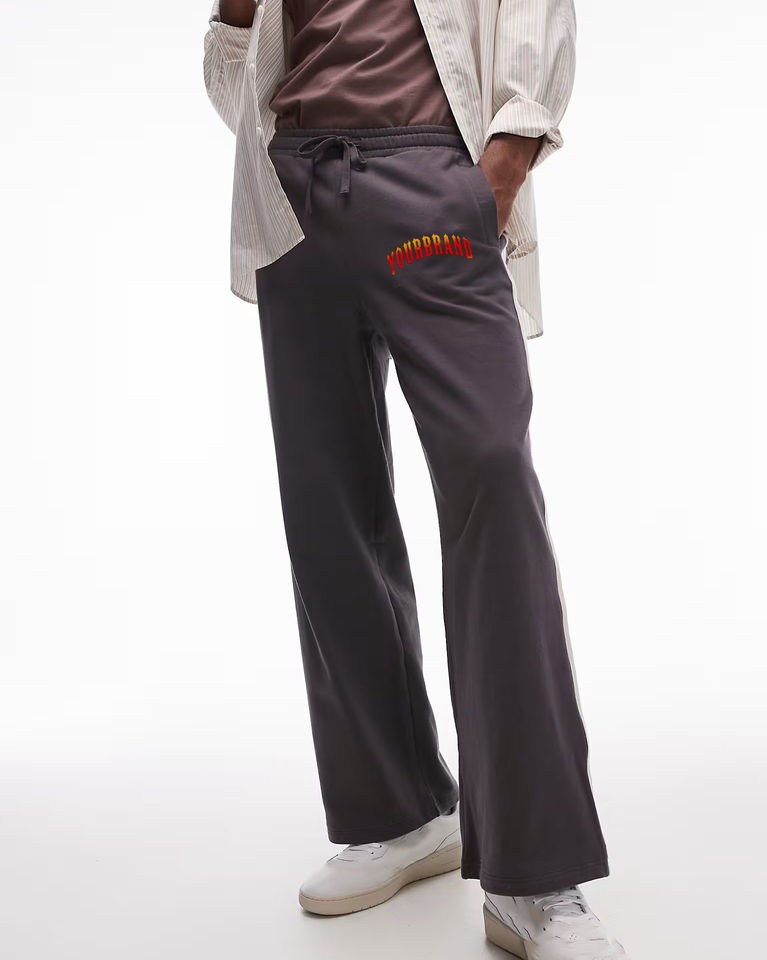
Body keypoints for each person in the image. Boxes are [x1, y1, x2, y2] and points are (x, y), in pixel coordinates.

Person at [202, 0, 629, 956]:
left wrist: (498, 172)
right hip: (294, 194)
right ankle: (399, 813)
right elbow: (235, 86)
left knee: (493, 482)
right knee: (329, 514)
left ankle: (534, 870)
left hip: (430, 180)